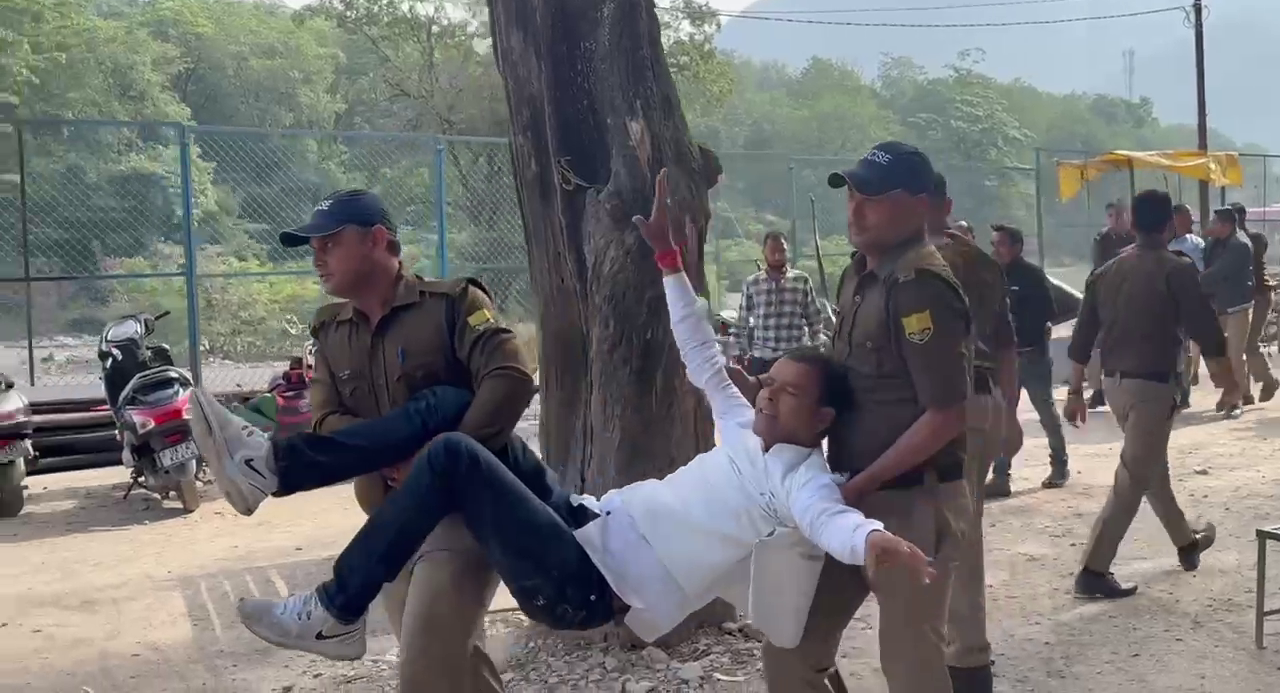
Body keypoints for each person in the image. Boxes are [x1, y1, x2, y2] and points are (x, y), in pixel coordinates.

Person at [197, 169, 934, 661]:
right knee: (451, 407)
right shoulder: (744, 423)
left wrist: (875, 541)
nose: (767, 393)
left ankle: (334, 609)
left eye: (787, 393)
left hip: (591, 585)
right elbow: (702, 353)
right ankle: (270, 467)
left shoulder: (801, 479)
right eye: (768, 382)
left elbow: (831, 522)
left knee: (453, 452)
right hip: (584, 523)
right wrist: (669, 261)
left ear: (822, 418)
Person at [273, 188, 537, 692]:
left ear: (376, 239)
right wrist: (391, 454)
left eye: (330, 242)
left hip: (462, 516)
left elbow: (509, 376)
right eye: (313, 247)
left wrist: (442, 462)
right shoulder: (331, 331)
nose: (317, 257)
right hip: (389, 519)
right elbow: (325, 419)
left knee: (424, 668)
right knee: (454, 667)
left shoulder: (452, 304)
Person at [763, 141, 970, 693]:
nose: (855, 210)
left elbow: (947, 414)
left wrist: (862, 485)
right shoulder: (857, 276)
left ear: (919, 204)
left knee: (910, 666)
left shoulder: (920, 287)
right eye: (852, 195)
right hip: (847, 497)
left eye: (873, 198)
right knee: (790, 647)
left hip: (911, 502)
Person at [1063, 189, 1236, 599]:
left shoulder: (1106, 271)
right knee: (1132, 478)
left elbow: (1082, 336)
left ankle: (1186, 542)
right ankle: (1093, 570)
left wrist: (1074, 390)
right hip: (1153, 387)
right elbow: (1204, 327)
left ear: (1133, 224)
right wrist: (1227, 380)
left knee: (1150, 468)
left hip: (1114, 386)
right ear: (1168, 225)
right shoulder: (1176, 268)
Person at [926, 174, 1018, 693]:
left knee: (950, 531)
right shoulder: (978, 261)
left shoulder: (914, 262)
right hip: (974, 401)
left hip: (948, 404)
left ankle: (961, 656)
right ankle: (961, 655)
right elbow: (1006, 345)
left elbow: (1002, 344)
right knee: (958, 529)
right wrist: (1007, 412)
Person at [988, 223, 1069, 494]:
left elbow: (1050, 311)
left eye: (1001, 244)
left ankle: (1059, 465)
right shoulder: (992, 275)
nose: (996, 250)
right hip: (1005, 360)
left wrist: (1026, 328)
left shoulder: (1032, 276)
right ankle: (1000, 476)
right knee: (1004, 417)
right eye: (993, 244)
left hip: (1032, 356)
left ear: (1017, 247)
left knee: (1045, 412)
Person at [730, 231, 831, 376]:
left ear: (787, 251)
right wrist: (735, 347)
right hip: (763, 359)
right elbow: (742, 320)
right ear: (764, 252)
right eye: (772, 251)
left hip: (796, 357)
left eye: (782, 251)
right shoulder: (752, 283)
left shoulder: (801, 280)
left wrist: (819, 345)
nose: (777, 256)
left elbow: (814, 319)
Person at [1201, 205, 1255, 414]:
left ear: (1226, 225)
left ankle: (1236, 400)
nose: (1210, 225)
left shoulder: (1239, 245)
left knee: (1234, 354)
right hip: (1219, 305)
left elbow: (1219, 271)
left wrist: (1193, 281)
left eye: (1214, 222)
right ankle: (1237, 391)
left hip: (1238, 306)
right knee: (1218, 355)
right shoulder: (1213, 243)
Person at [1086, 201, 1137, 410]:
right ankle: (1097, 390)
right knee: (1094, 344)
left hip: (1131, 297)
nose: (1115, 220)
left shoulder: (1136, 236)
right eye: (1111, 216)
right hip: (1106, 295)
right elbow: (1102, 265)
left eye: (1119, 215)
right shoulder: (1102, 239)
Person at [1233, 203, 1279, 404]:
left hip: (1259, 295)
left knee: (1248, 345)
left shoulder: (1250, 240)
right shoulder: (1245, 240)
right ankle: (1246, 393)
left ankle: (1269, 381)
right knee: (1239, 346)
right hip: (1245, 297)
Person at [1169, 204, 1207, 408]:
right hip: (1167, 302)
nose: (1192, 219)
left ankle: (1184, 391)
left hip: (1188, 301)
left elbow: (1202, 271)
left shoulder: (1196, 244)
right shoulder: (1164, 243)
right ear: (1176, 218)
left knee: (1186, 348)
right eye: (1188, 216)